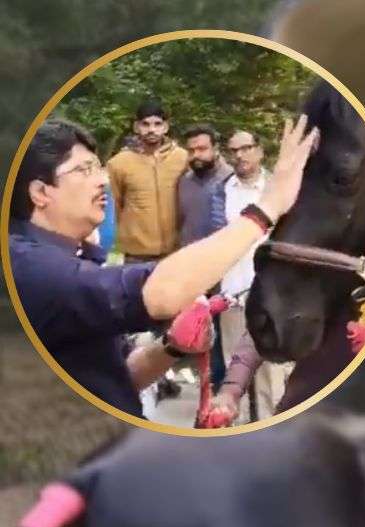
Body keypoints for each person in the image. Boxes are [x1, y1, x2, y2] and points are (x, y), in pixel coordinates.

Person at [9, 116, 320, 419]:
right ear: (40, 192)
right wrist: (268, 207)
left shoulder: (72, 258)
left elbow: (123, 374)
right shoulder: (27, 265)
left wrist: (172, 346)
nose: (103, 180)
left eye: (98, 167)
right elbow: (159, 294)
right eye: (84, 169)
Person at [208, 129, 290, 422]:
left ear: (260, 150)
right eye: (233, 151)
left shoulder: (278, 190)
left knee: (271, 375)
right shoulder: (221, 192)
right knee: (234, 376)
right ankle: (237, 432)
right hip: (232, 295)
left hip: (272, 298)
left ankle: (272, 431)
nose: (240, 155)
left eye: (245, 148)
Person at [177, 123, 235, 385]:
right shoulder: (184, 182)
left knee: (224, 331)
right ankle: (205, 380)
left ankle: (224, 385)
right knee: (199, 326)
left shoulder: (231, 180)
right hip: (193, 267)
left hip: (226, 269)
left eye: (202, 149)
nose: (196, 155)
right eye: (191, 150)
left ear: (216, 148)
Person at [105, 98, 189, 262]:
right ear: (136, 127)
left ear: (166, 127)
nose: (152, 130)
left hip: (175, 251)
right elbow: (115, 206)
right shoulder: (118, 163)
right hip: (135, 255)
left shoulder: (182, 158)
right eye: (145, 124)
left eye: (157, 124)